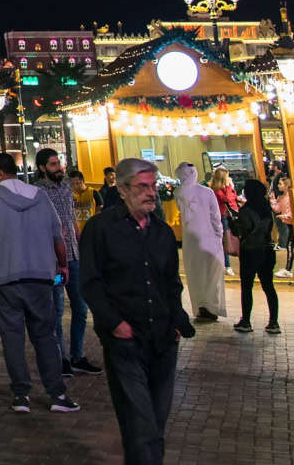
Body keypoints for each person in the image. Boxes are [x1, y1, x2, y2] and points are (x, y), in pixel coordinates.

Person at [81, 158, 193, 465]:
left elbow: (171, 283)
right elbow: (90, 282)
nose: (150, 193)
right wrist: (115, 323)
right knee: (140, 422)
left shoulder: (162, 233)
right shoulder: (101, 230)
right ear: (122, 189)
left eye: (152, 186)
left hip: (163, 338)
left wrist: (177, 322)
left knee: (155, 422)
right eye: (142, 187)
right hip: (126, 340)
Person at [0, 150, 76, 414]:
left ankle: (21, 395)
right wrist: (62, 264)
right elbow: (58, 234)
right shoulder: (39, 196)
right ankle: (57, 394)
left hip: (5, 278)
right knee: (45, 336)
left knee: (12, 337)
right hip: (40, 276)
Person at [37, 148, 100, 375]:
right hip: (53, 260)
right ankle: (60, 358)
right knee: (56, 309)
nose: (59, 168)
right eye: (53, 164)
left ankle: (77, 355)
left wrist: (78, 236)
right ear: (43, 167)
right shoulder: (38, 191)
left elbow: (72, 217)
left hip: (74, 256)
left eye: (59, 163)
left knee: (81, 308)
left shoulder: (65, 187)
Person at [173, 163, 226, 323]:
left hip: (191, 240)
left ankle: (201, 306)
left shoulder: (178, 193)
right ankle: (212, 307)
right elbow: (215, 217)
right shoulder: (207, 192)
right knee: (212, 273)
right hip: (209, 238)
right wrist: (219, 235)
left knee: (196, 274)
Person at [228, 177, 280, 334]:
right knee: (268, 286)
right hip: (267, 250)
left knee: (247, 286)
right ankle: (274, 322)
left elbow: (241, 231)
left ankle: (246, 321)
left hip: (250, 251)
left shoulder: (246, 209)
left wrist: (233, 223)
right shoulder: (266, 208)